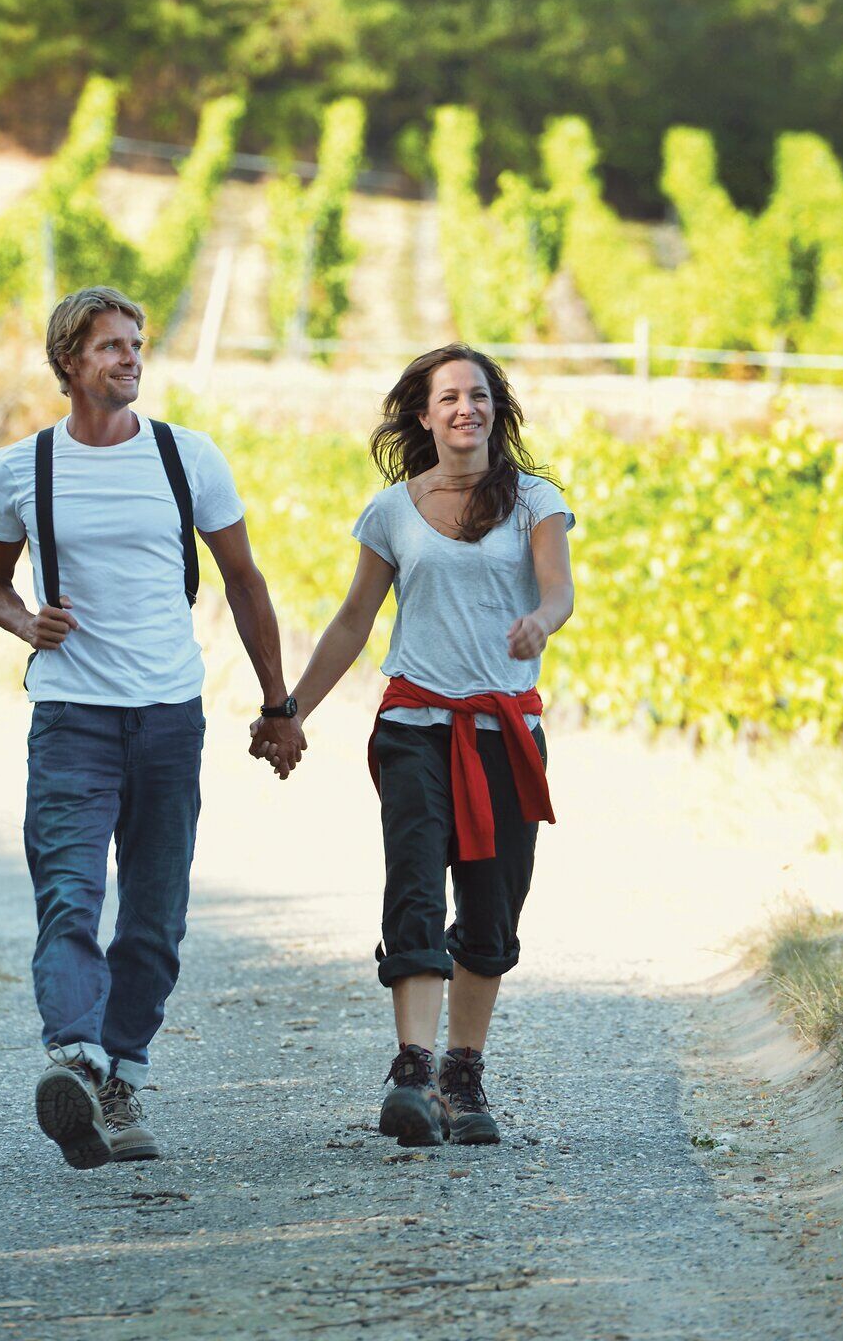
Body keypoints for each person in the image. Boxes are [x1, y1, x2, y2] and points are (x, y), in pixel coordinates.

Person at [0, 285, 306, 1169]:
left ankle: (116, 1077)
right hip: (71, 719)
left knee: (154, 918)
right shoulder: (22, 469)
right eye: (111, 347)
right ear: (69, 364)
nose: (130, 358)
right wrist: (21, 623)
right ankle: (77, 1061)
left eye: (135, 343)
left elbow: (243, 581)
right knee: (69, 900)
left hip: (166, 720)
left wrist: (279, 707)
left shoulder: (184, 458)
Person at [250, 343, 574, 1146]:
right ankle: (413, 1073)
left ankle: (464, 1078)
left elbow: (558, 586)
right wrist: (291, 709)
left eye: (478, 396)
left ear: (496, 410)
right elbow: (354, 622)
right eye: (449, 398)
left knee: (494, 905)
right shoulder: (391, 512)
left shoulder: (536, 501)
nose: (465, 409)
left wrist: (541, 619)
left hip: (506, 732)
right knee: (415, 891)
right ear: (423, 416)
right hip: (414, 726)